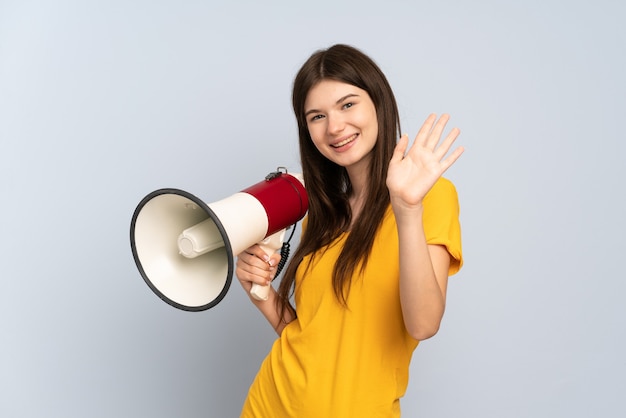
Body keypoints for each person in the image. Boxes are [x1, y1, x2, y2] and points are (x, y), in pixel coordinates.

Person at [235, 44, 464, 417]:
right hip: (271, 405)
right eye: (316, 116)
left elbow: (423, 324)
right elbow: (309, 333)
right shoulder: (323, 213)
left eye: (347, 105)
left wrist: (406, 210)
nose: (335, 127)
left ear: (378, 102)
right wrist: (262, 294)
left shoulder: (431, 196)